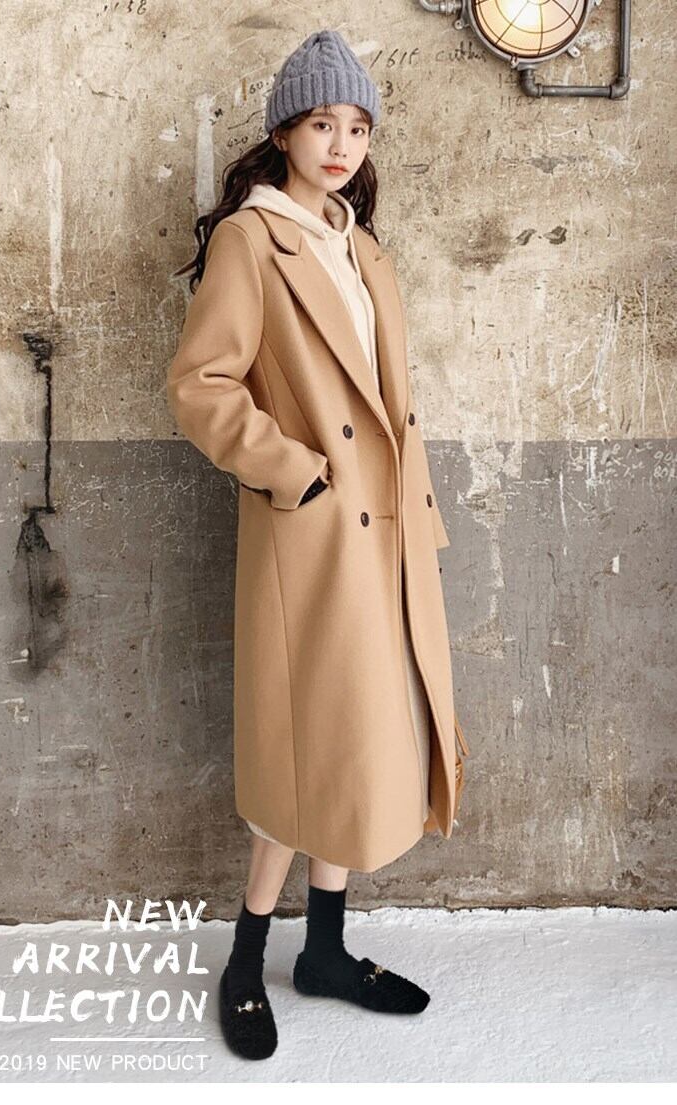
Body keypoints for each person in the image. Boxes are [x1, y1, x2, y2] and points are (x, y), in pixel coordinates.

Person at [167, 29, 458, 1061]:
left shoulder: (360, 244)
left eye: (358, 127)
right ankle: (248, 956)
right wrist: (296, 472)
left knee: (360, 743)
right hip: (316, 534)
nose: (341, 145)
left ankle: (325, 950)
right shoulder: (255, 241)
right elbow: (200, 385)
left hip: (385, 534)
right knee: (302, 748)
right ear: (285, 131)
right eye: (323, 123)